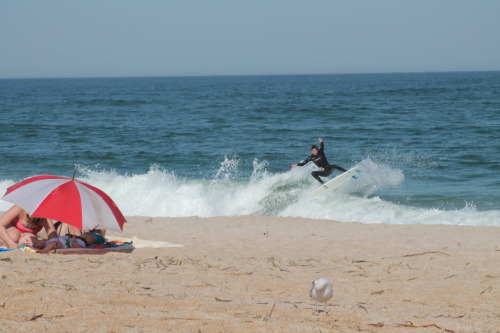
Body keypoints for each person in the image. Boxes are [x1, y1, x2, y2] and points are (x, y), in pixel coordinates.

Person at [37, 232, 106, 253]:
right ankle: (38, 246)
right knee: (43, 241)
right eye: (85, 234)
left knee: (52, 244)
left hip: (61, 243)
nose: (84, 235)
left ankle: (43, 251)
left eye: (86, 237)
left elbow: (78, 247)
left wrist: (74, 242)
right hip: (58, 239)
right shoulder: (77, 237)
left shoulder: (82, 242)